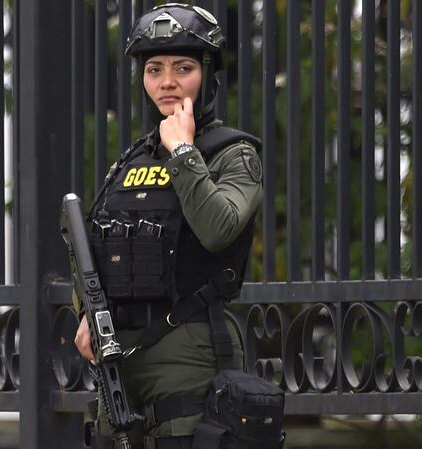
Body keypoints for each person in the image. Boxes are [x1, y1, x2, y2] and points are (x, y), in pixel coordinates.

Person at [72, 4, 263, 449]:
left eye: (184, 67)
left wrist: (182, 153)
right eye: (154, 69)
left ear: (209, 73)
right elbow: (93, 248)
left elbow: (219, 228)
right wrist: (84, 311)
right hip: (119, 360)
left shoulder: (233, 154)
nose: (167, 82)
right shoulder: (130, 161)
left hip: (189, 350)